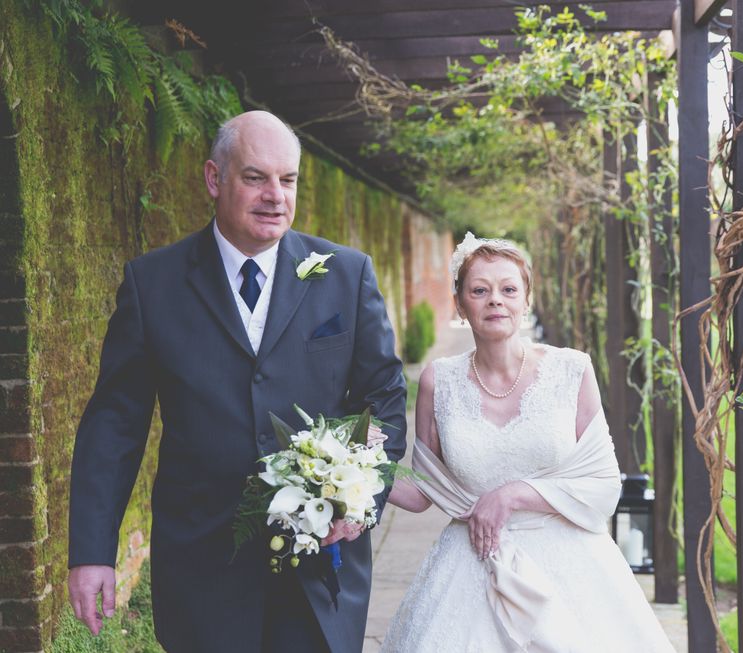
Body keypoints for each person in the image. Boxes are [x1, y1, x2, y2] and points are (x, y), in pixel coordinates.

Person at [66, 110, 406, 653]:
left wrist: (361, 500)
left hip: (318, 564)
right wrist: (90, 552)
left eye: (287, 180)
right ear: (213, 179)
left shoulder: (346, 273)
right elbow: (115, 424)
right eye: (256, 177)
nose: (276, 195)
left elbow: (383, 397)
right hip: (203, 563)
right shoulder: (152, 284)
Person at [379, 233, 676, 651]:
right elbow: (424, 488)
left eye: (508, 289)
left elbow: (605, 483)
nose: (495, 300)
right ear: (460, 304)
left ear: (526, 300)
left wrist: (514, 494)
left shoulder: (571, 370)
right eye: (480, 290)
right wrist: (351, 474)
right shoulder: (437, 380)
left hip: (569, 565)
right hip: (471, 564)